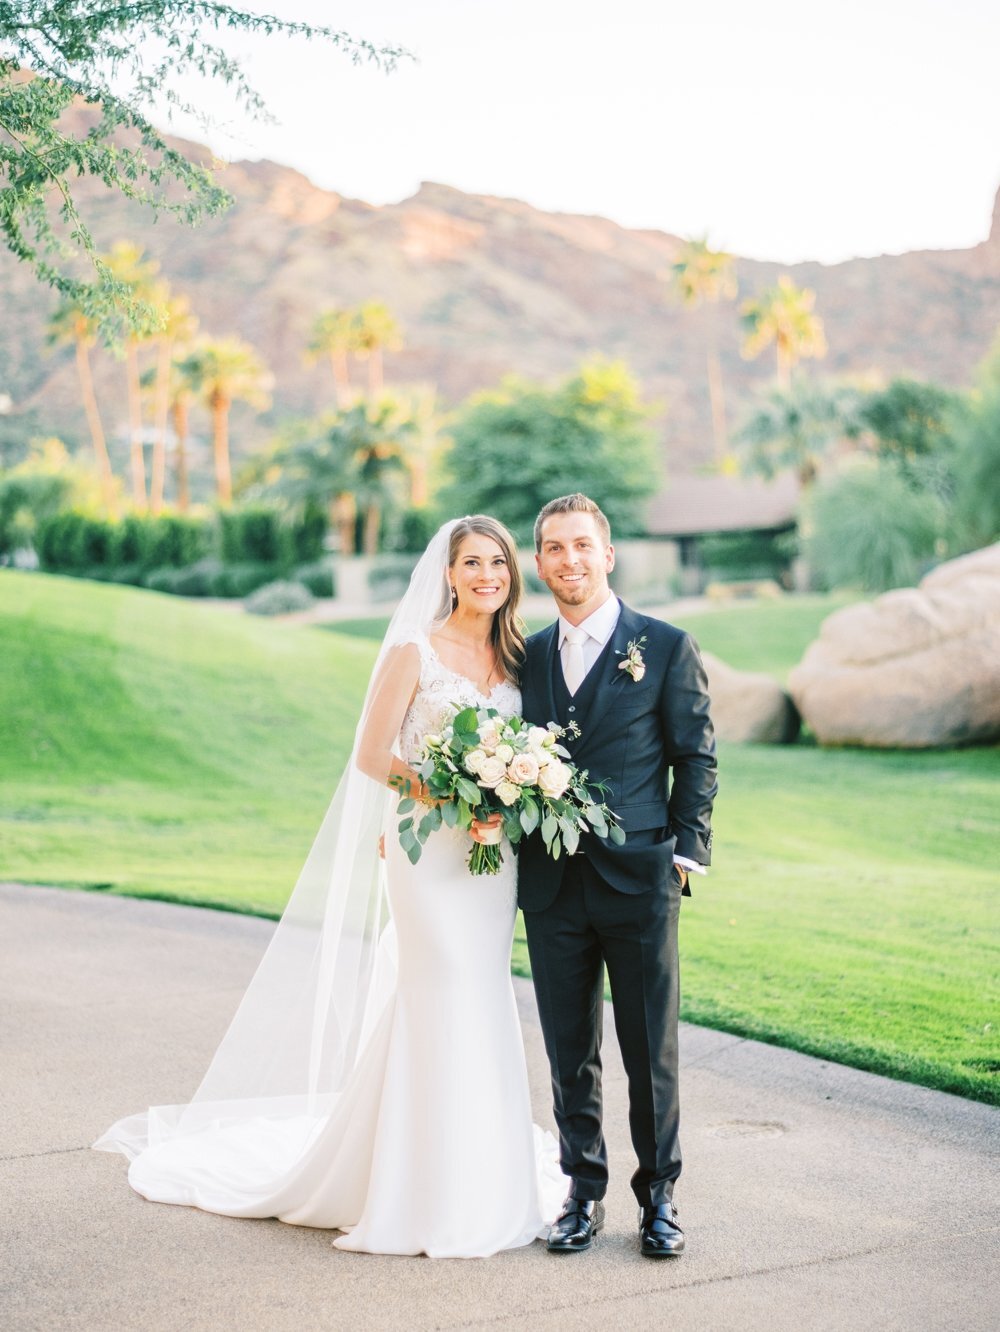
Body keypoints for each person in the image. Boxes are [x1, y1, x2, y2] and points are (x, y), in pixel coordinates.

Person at [94, 516, 565, 1258]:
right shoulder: (416, 650)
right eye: (472, 562)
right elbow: (372, 755)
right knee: (437, 989)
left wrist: (501, 795)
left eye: (498, 563)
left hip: (489, 859)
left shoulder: (519, 655)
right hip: (426, 853)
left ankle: (485, 1177)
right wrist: (451, 792)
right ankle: (415, 1187)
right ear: (446, 574)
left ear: (512, 574)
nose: (487, 575)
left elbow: (532, 752)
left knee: (480, 995)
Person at [516, 493, 717, 1258]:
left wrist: (684, 854)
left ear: (607, 554)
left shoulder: (664, 646)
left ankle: (659, 1197)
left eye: (581, 545)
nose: (570, 560)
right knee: (570, 1049)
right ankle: (583, 1191)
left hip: (641, 881)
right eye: (555, 549)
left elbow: (695, 755)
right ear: (540, 564)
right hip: (551, 887)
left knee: (648, 1051)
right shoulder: (525, 657)